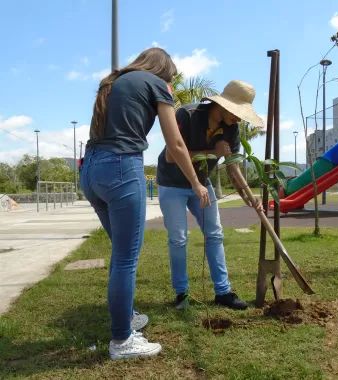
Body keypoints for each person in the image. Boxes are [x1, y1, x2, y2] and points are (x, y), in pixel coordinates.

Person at [80, 48, 210, 360]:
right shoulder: (156, 83)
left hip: (90, 170)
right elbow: (176, 142)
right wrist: (195, 182)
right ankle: (123, 341)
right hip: (122, 167)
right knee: (126, 258)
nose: (172, 83)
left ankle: (126, 317)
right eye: (172, 77)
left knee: (120, 252)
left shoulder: (113, 82)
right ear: (164, 70)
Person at [157, 80, 263, 310]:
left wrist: (249, 198)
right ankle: (182, 294)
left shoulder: (232, 128)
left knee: (215, 234)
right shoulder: (187, 115)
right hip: (172, 184)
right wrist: (212, 152)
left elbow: (233, 167)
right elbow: (171, 156)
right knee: (179, 238)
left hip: (203, 184)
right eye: (237, 112)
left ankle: (223, 292)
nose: (239, 118)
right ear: (223, 105)